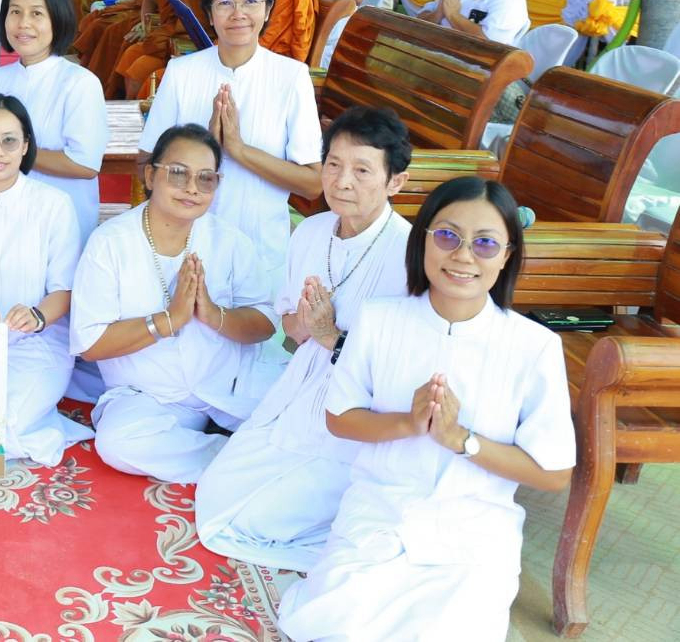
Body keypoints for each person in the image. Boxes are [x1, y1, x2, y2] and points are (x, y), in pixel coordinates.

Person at [276, 177, 574, 642]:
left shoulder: (535, 347)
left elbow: (554, 474)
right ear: (424, 239)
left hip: (475, 530)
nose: (463, 256)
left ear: (507, 254)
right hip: (382, 508)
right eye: (448, 236)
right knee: (336, 623)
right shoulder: (379, 319)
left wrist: (461, 440)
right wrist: (409, 423)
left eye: (485, 243)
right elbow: (339, 418)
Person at [195, 106, 414, 571]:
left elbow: (402, 369)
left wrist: (332, 335)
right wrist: (307, 324)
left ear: (395, 182)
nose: (342, 181)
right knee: (214, 499)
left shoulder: (411, 256)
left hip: (359, 416)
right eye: (333, 165)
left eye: (361, 170)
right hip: (301, 389)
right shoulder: (311, 232)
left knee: (251, 523)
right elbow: (291, 331)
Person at [70, 123, 276, 483]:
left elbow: (265, 323)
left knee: (313, 411)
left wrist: (213, 315)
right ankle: (234, 459)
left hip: (231, 381)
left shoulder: (230, 241)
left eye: (206, 178)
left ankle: (251, 450)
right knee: (118, 442)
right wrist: (169, 319)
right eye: (178, 174)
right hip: (151, 396)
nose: (192, 189)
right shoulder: (109, 243)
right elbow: (90, 344)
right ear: (150, 175)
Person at [139, 0, 322, 295]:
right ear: (208, 13)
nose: (238, 14)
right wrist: (203, 150)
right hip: (185, 245)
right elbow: (148, 166)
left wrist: (237, 149)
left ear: (267, 9)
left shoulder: (291, 77)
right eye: (225, 3)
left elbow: (312, 184)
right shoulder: (181, 73)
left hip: (262, 250)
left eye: (250, 1)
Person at [0, 94, 94, 465]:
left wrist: (38, 317)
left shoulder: (53, 204)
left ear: (25, 146)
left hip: (40, 340)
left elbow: (64, 288)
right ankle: (42, 421)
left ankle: (49, 426)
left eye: (9, 140)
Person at [0, 0, 107, 247]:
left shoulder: (80, 83)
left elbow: (85, 164)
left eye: (36, 14)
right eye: (15, 12)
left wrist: (15, 152)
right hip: (4, 215)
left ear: (57, 19)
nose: (23, 23)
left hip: (62, 223)